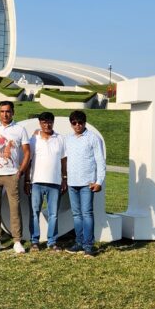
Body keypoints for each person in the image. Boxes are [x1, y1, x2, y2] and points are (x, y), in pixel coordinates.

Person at [0, 101, 31, 254]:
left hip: (12, 174)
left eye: (8, 111)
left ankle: (17, 241)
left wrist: (20, 171)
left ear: (13, 112)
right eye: (2, 111)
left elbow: (27, 152)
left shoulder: (20, 129)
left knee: (14, 208)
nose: (5, 114)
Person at [64, 110, 106, 257]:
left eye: (80, 122)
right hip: (72, 183)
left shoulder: (93, 138)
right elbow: (65, 160)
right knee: (76, 215)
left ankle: (88, 245)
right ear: (71, 124)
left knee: (87, 213)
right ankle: (79, 243)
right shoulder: (68, 139)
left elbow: (100, 161)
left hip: (87, 183)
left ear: (84, 123)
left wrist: (99, 181)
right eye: (74, 123)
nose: (77, 125)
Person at [25, 111, 66, 251]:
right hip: (36, 182)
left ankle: (52, 242)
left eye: (49, 122)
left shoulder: (60, 138)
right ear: (40, 124)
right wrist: (27, 181)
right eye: (44, 122)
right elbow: (28, 161)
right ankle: (34, 241)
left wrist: (64, 178)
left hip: (55, 182)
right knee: (34, 212)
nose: (47, 125)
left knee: (53, 214)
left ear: (53, 123)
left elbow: (63, 160)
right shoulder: (34, 139)